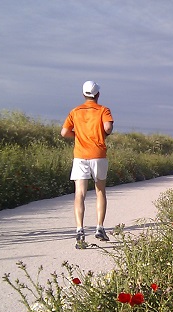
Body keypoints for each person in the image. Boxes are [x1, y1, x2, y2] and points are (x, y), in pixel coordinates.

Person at [60, 80, 114, 244]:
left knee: (80, 194)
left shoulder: (75, 111)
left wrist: (77, 135)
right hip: (98, 154)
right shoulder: (104, 110)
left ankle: (80, 230)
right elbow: (108, 128)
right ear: (98, 94)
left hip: (80, 155)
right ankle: (99, 227)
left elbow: (64, 132)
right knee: (100, 191)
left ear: (83, 94)